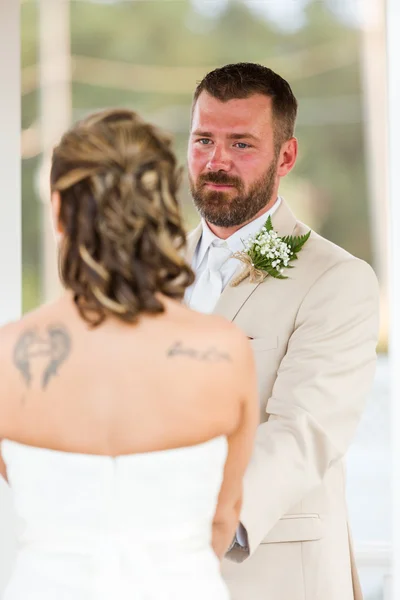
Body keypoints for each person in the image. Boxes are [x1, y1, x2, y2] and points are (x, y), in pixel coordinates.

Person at [0, 108, 259, 600]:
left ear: (58, 211)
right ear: (164, 208)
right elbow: (224, 516)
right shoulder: (223, 352)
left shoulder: (6, 357)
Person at [185, 62, 380, 600]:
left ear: (285, 156)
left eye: (242, 144)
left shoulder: (337, 279)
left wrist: (193, 533)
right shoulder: (149, 270)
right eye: (204, 139)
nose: (216, 161)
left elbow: (303, 431)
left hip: (271, 575)